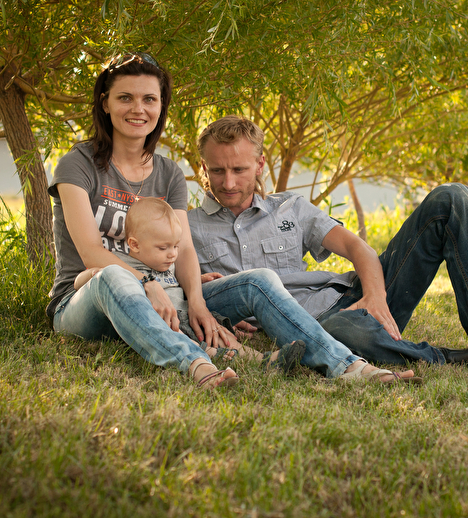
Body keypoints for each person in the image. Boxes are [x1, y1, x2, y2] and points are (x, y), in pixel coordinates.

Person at [47, 53, 419, 390]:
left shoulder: (168, 173)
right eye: (125, 98)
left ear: (161, 105)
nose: (138, 109)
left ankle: (347, 365)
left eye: (149, 99)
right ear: (105, 103)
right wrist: (147, 283)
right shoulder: (78, 165)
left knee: (259, 279)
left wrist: (197, 301)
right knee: (113, 276)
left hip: (167, 296)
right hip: (89, 299)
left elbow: (185, 249)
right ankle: (196, 364)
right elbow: (91, 253)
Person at [187, 115, 468, 376]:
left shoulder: (290, 208)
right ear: (203, 168)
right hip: (318, 325)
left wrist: (375, 297)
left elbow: (358, 249)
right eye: (217, 171)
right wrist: (202, 295)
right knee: (344, 331)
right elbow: (174, 289)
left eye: (239, 170)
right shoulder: (186, 227)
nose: (228, 182)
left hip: (352, 296)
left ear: (259, 165)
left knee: (452, 198)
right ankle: (460, 358)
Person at [73, 196, 305, 370]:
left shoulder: (167, 265)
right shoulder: (123, 264)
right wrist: (93, 274)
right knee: (201, 338)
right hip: (164, 323)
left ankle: (263, 360)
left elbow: (175, 283)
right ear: (134, 244)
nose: (172, 254)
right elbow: (85, 282)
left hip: (185, 315)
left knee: (219, 333)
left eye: (175, 246)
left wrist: (197, 280)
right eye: (163, 248)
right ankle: (214, 355)